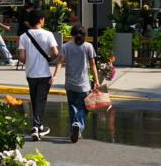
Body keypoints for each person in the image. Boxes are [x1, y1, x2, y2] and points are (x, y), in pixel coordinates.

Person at [18, 10, 61, 139]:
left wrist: (28, 58)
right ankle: (36, 127)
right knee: (41, 100)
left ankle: (39, 125)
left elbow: (22, 57)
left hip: (30, 74)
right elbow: (55, 52)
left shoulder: (23, 36)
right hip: (44, 74)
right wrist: (48, 58)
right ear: (41, 20)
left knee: (35, 100)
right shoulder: (48, 35)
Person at [59, 29, 100, 143]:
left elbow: (60, 61)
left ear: (72, 35)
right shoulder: (88, 46)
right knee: (84, 107)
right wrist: (96, 80)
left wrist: (55, 75)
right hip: (84, 85)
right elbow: (92, 65)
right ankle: (78, 124)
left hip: (70, 84)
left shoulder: (66, 46)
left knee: (72, 107)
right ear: (84, 35)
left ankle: (75, 129)